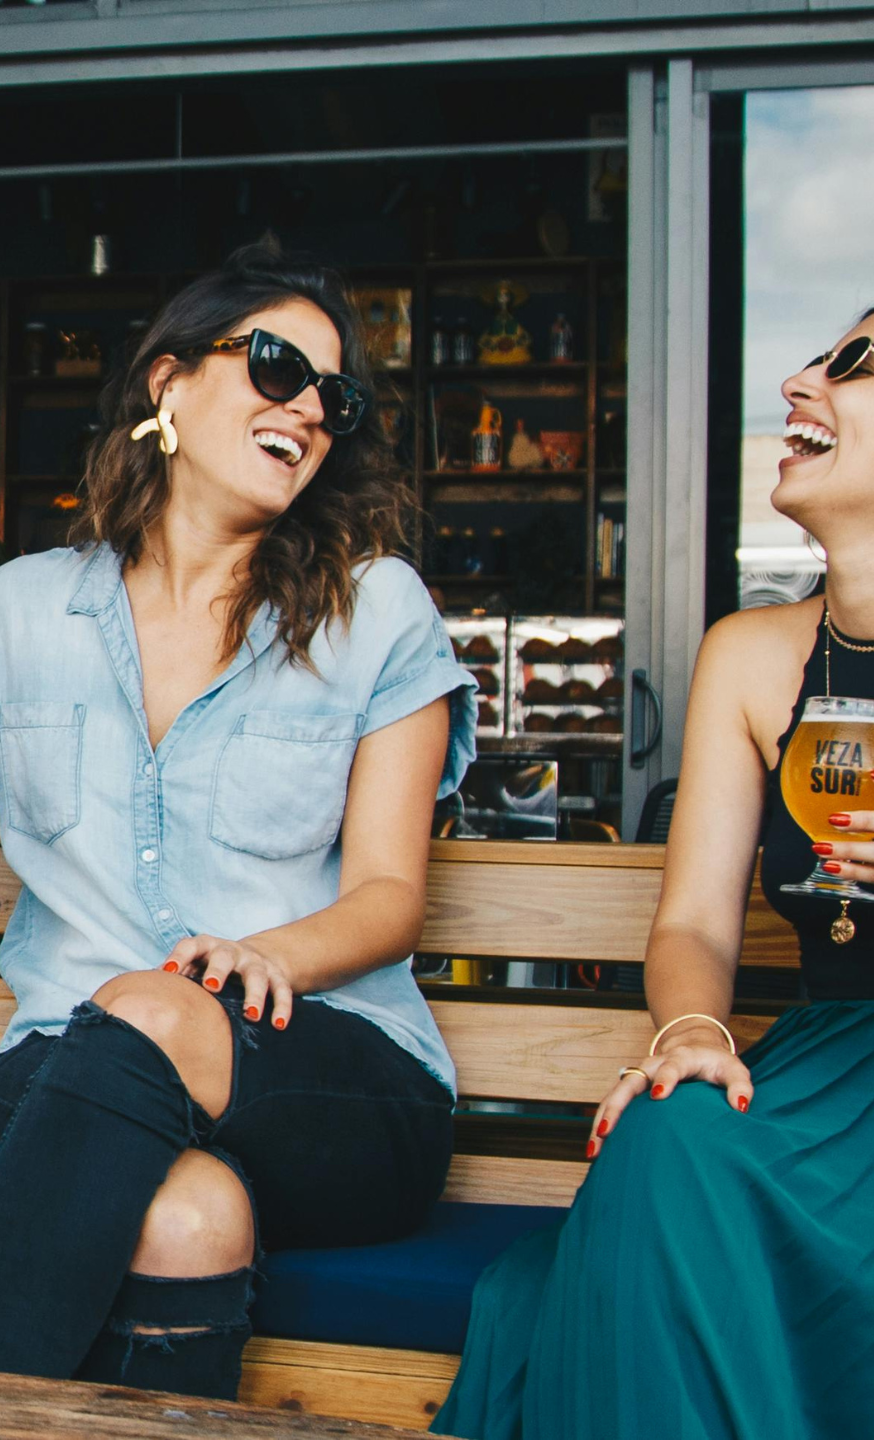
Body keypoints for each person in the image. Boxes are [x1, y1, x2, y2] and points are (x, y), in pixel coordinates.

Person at [433, 290, 874, 1440]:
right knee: (669, 1138)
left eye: (856, 366)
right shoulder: (749, 655)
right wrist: (690, 1033)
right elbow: (695, 928)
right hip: (826, 1083)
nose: (799, 383)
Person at [0, 241, 477, 1399]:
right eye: (274, 366)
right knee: (188, 1218)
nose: (309, 407)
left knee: (159, 1006)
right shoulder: (18, 612)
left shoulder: (378, 613)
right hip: (69, 1064)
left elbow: (389, 901)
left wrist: (262, 955)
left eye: (335, 397)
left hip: (325, 1070)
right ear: (168, 384)